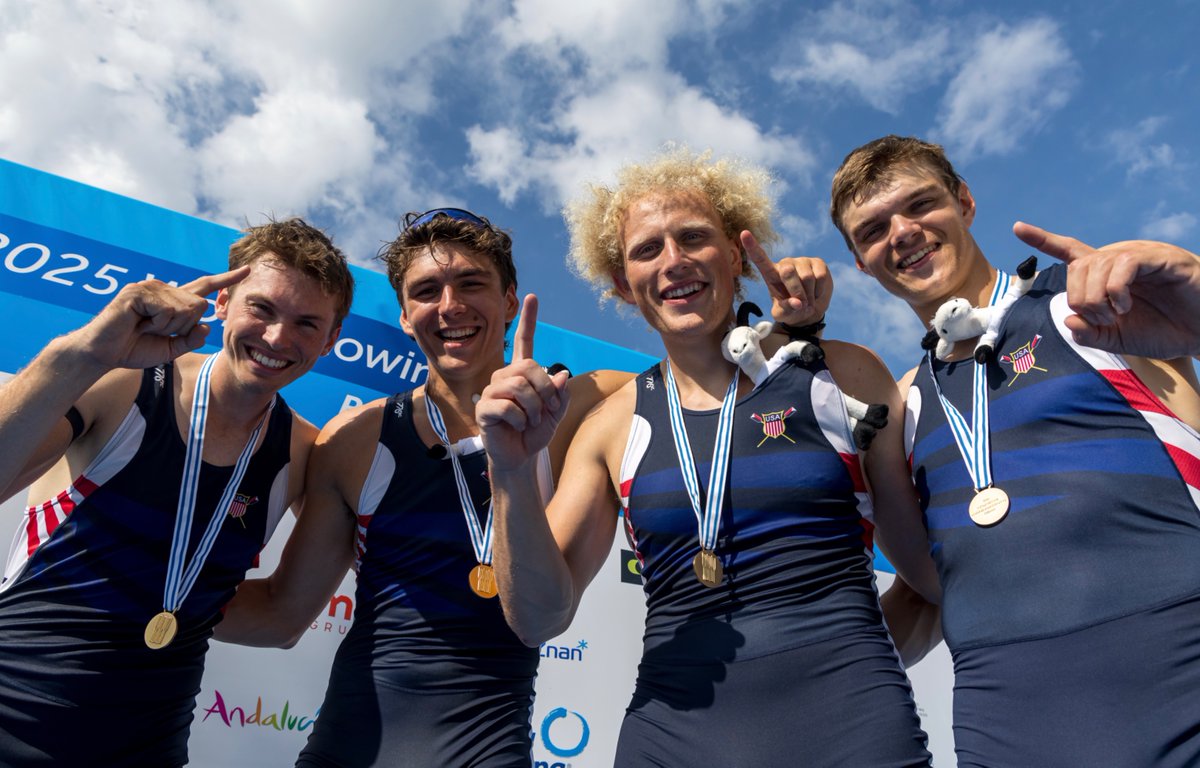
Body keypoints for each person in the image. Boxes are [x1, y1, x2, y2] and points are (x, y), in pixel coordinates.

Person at [477, 148, 938, 766]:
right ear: (621, 283)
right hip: (674, 740)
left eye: (694, 237)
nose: (674, 262)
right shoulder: (608, 428)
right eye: (647, 249)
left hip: (855, 726)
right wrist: (509, 473)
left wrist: (848, 658)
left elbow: (933, 574)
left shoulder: (842, 371)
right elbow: (537, 618)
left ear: (735, 253)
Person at [828, 134, 1200, 767]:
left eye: (921, 204)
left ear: (965, 202)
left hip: (1178, 669)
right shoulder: (902, 405)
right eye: (872, 230)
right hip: (1008, 717)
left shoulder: (1089, 302)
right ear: (862, 263)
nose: (903, 233)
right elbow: (931, 582)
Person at [215, 208, 631, 767]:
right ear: (407, 317)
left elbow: (706, 378)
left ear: (510, 302)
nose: (450, 306)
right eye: (427, 291)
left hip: (487, 751)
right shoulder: (352, 440)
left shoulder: (586, 405)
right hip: (346, 750)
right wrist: (114, 593)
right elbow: (282, 616)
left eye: (471, 283)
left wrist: (787, 328)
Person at [0, 218, 353, 767]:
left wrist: (175, 601)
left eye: (307, 323)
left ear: (331, 340)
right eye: (262, 308)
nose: (279, 338)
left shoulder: (308, 451)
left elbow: (283, 621)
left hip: (148, 748)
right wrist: (88, 352)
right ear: (224, 301)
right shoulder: (119, 382)